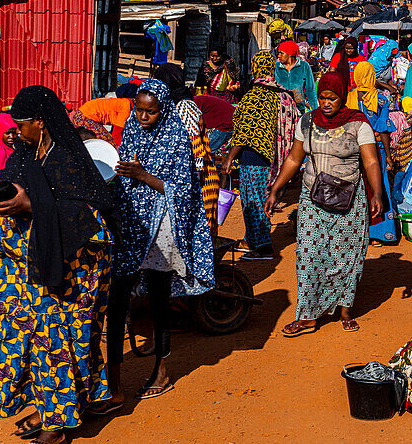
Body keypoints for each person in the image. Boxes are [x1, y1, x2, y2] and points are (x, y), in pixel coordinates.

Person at [0, 86, 116, 444]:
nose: (16, 129)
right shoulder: (26, 156)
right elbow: (11, 184)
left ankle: (57, 423)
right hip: (29, 266)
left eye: (22, 123)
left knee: (59, 340)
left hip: (74, 265)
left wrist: (31, 207)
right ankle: (51, 407)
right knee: (20, 334)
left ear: (40, 123)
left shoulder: (69, 160)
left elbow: (85, 213)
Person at [105, 79, 214, 407]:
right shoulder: (131, 130)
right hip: (132, 223)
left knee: (158, 299)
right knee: (117, 299)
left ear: (163, 109)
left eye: (150, 111)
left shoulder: (178, 136)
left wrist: (143, 176)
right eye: (138, 109)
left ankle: (162, 370)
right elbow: (120, 171)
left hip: (162, 228)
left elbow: (184, 190)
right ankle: (113, 379)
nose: (142, 116)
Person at [264, 73, 384, 336]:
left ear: (343, 97)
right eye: (322, 97)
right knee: (308, 254)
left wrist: (377, 193)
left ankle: (344, 309)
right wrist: (276, 188)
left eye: (332, 98)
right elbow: (295, 159)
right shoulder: (307, 121)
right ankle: (307, 316)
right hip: (312, 196)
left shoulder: (358, 124)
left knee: (347, 256)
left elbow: (371, 162)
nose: (326, 103)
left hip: (350, 198)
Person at [223, 52, 301, 260]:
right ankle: (252, 239)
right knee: (263, 198)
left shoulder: (255, 95)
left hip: (254, 157)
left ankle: (263, 247)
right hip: (278, 158)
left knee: (253, 201)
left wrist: (229, 159)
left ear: (255, 67)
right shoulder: (284, 94)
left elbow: (244, 132)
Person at [154, 64, 222, 234]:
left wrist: (192, 182)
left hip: (200, 181)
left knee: (198, 234)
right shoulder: (175, 104)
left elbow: (194, 144)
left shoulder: (185, 107)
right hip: (190, 180)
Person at [348, 61, 396, 242]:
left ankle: (355, 232)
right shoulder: (381, 99)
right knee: (379, 185)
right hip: (376, 149)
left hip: (353, 149)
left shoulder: (347, 98)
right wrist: (389, 156)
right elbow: (383, 129)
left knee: (355, 187)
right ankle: (379, 233)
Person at [275, 40, 319, 112]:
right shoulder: (276, 67)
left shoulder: (304, 66)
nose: (278, 56)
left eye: (281, 53)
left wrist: (315, 111)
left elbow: (310, 91)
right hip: (280, 110)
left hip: (298, 110)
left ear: (290, 54)